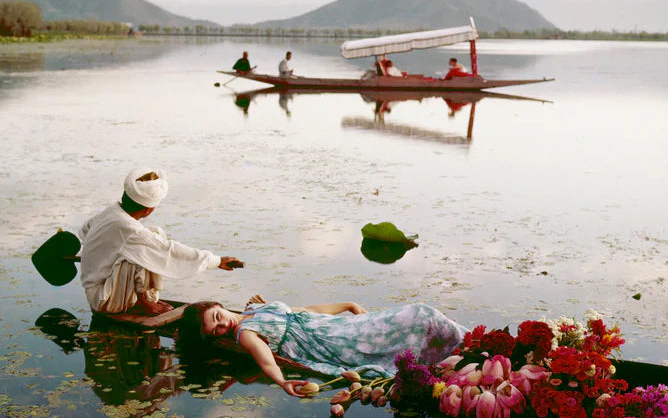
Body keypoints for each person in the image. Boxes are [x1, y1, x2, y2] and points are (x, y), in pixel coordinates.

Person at [180, 300, 466, 398]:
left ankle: (469, 343)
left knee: (420, 313)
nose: (223, 325)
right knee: (419, 316)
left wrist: (346, 305)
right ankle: (463, 353)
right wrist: (281, 381)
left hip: (330, 326)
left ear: (216, 305)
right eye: (215, 331)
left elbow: (303, 310)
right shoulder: (245, 334)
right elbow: (265, 359)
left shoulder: (253, 310)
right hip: (329, 343)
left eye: (217, 317)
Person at [79, 168, 243, 316]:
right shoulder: (130, 229)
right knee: (144, 251)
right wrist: (216, 261)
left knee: (153, 234)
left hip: (97, 290)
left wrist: (101, 253)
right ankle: (143, 303)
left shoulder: (111, 211)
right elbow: (167, 250)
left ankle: (143, 298)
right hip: (103, 300)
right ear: (148, 210)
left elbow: (85, 231)